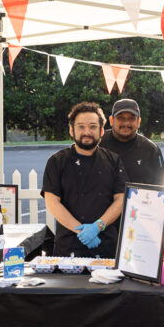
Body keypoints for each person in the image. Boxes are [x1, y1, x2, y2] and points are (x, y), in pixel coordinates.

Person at [42, 102, 126, 257]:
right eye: (81, 126)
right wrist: (80, 230)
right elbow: (52, 202)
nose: (87, 132)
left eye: (93, 126)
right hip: (68, 248)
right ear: (71, 130)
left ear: (101, 130)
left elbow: (121, 200)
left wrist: (97, 227)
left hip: (106, 246)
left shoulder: (113, 161)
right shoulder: (56, 161)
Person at [99, 98, 164, 186]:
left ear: (138, 122)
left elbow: (163, 186)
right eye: (121, 118)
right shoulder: (98, 143)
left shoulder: (151, 149)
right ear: (111, 120)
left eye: (131, 118)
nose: (126, 123)